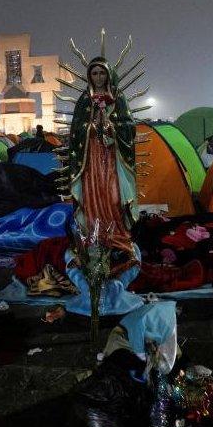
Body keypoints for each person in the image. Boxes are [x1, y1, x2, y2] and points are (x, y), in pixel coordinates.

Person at [67, 55, 138, 270]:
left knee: (113, 196)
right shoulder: (84, 99)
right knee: (91, 196)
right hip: (90, 159)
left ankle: (116, 233)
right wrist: (90, 128)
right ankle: (94, 235)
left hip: (111, 157)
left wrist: (112, 129)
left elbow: (129, 125)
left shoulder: (118, 96)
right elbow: (75, 130)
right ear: (90, 76)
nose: (98, 77)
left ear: (108, 74)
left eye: (102, 73)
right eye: (94, 73)